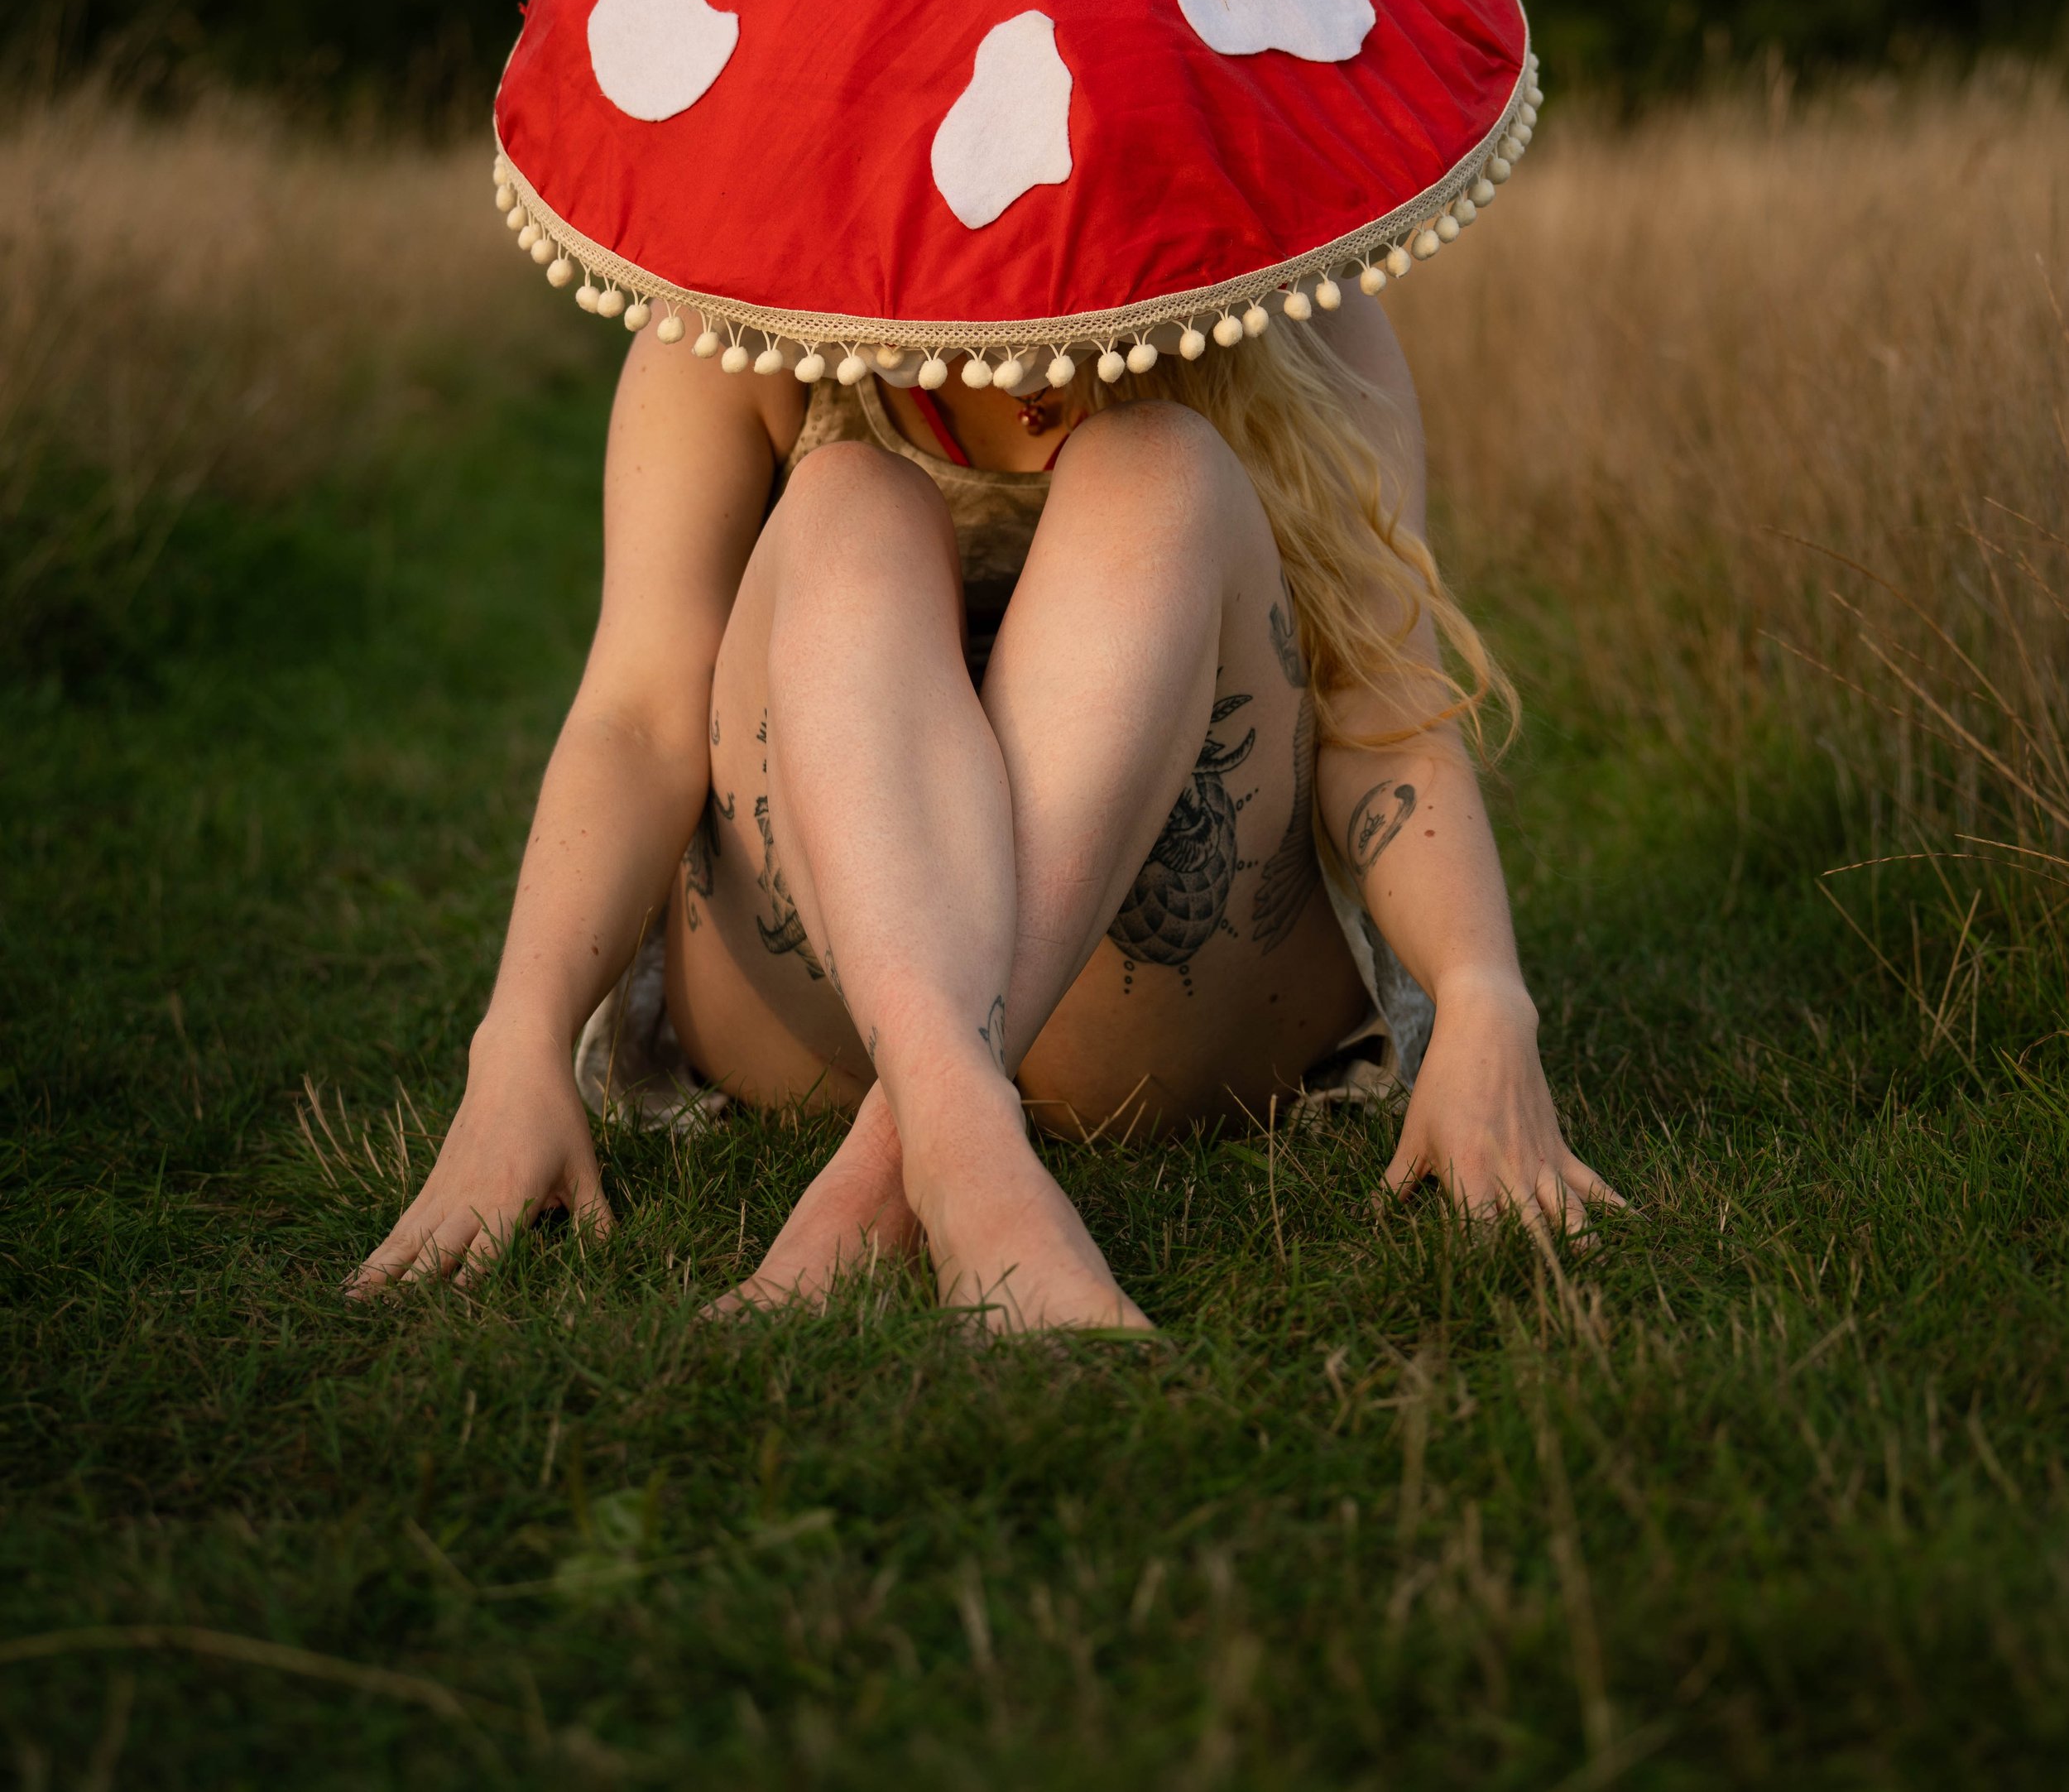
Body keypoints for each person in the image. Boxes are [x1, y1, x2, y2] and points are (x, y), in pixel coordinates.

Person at [349, 293, 1621, 1329]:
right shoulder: (727, 307)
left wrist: (1481, 988)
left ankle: (912, 1142)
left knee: (1159, 462)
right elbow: (638, 714)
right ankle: (962, 1131)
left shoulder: (1298, 295)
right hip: (807, 1006)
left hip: (1169, 1014)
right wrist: (515, 1040)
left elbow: (1385, 705)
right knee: (851, 495)